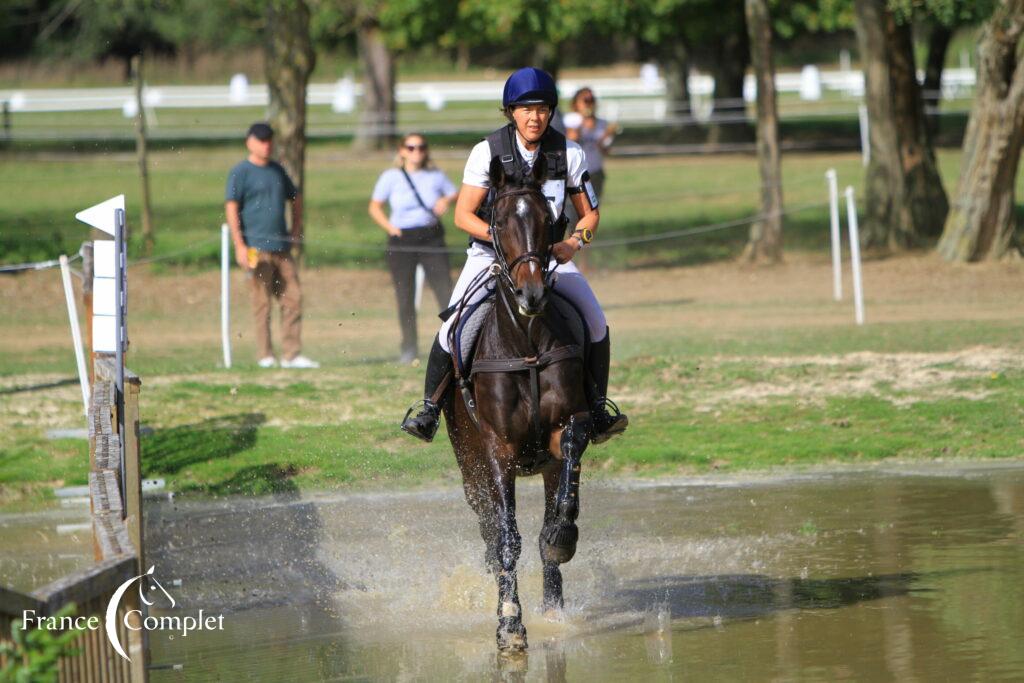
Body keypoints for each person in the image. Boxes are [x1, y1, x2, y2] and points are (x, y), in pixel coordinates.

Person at [400, 67, 628, 444]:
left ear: (551, 112)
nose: (534, 117)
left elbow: (590, 213)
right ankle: (429, 409)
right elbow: (462, 216)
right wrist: (506, 241)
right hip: (491, 258)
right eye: (525, 109)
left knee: (596, 322)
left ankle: (599, 409)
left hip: (550, 258)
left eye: (541, 109)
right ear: (511, 112)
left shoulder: (569, 152)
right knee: (453, 325)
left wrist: (573, 243)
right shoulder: (486, 151)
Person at [225, 122, 319, 369]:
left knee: (293, 299)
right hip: (256, 248)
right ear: (250, 142)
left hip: (282, 247)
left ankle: (292, 354)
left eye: (269, 141)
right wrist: (239, 245)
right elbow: (232, 207)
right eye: (261, 140)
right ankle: (265, 355)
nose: (266, 145)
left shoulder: (278, 170)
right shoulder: (240, 172)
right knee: (261, 302)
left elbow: (296, 198)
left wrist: (296, 229)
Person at [368, 134, 457, 364]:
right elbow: (375, 206)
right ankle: (408, 348)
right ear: (402, 151)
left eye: (421, 147)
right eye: (411, 147)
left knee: (445, 292)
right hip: (402, 239)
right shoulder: (391, 177)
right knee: (404, 295)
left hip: (431, 237)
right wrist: (390, 227)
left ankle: (454, 344)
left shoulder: (435, 175)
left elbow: (455, 192)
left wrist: (446, 201)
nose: (416, 151)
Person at [563, 87, 617, 203]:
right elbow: (571, 141)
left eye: (591, 100)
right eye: (585, 101)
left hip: (595, 173)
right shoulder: (570, 120)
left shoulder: (602, 124)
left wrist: (606, 134)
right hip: (574, 174)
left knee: (593, 209)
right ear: (576, 103)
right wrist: (581, 123)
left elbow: (605, 151)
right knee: (571, 213)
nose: (589, 104)